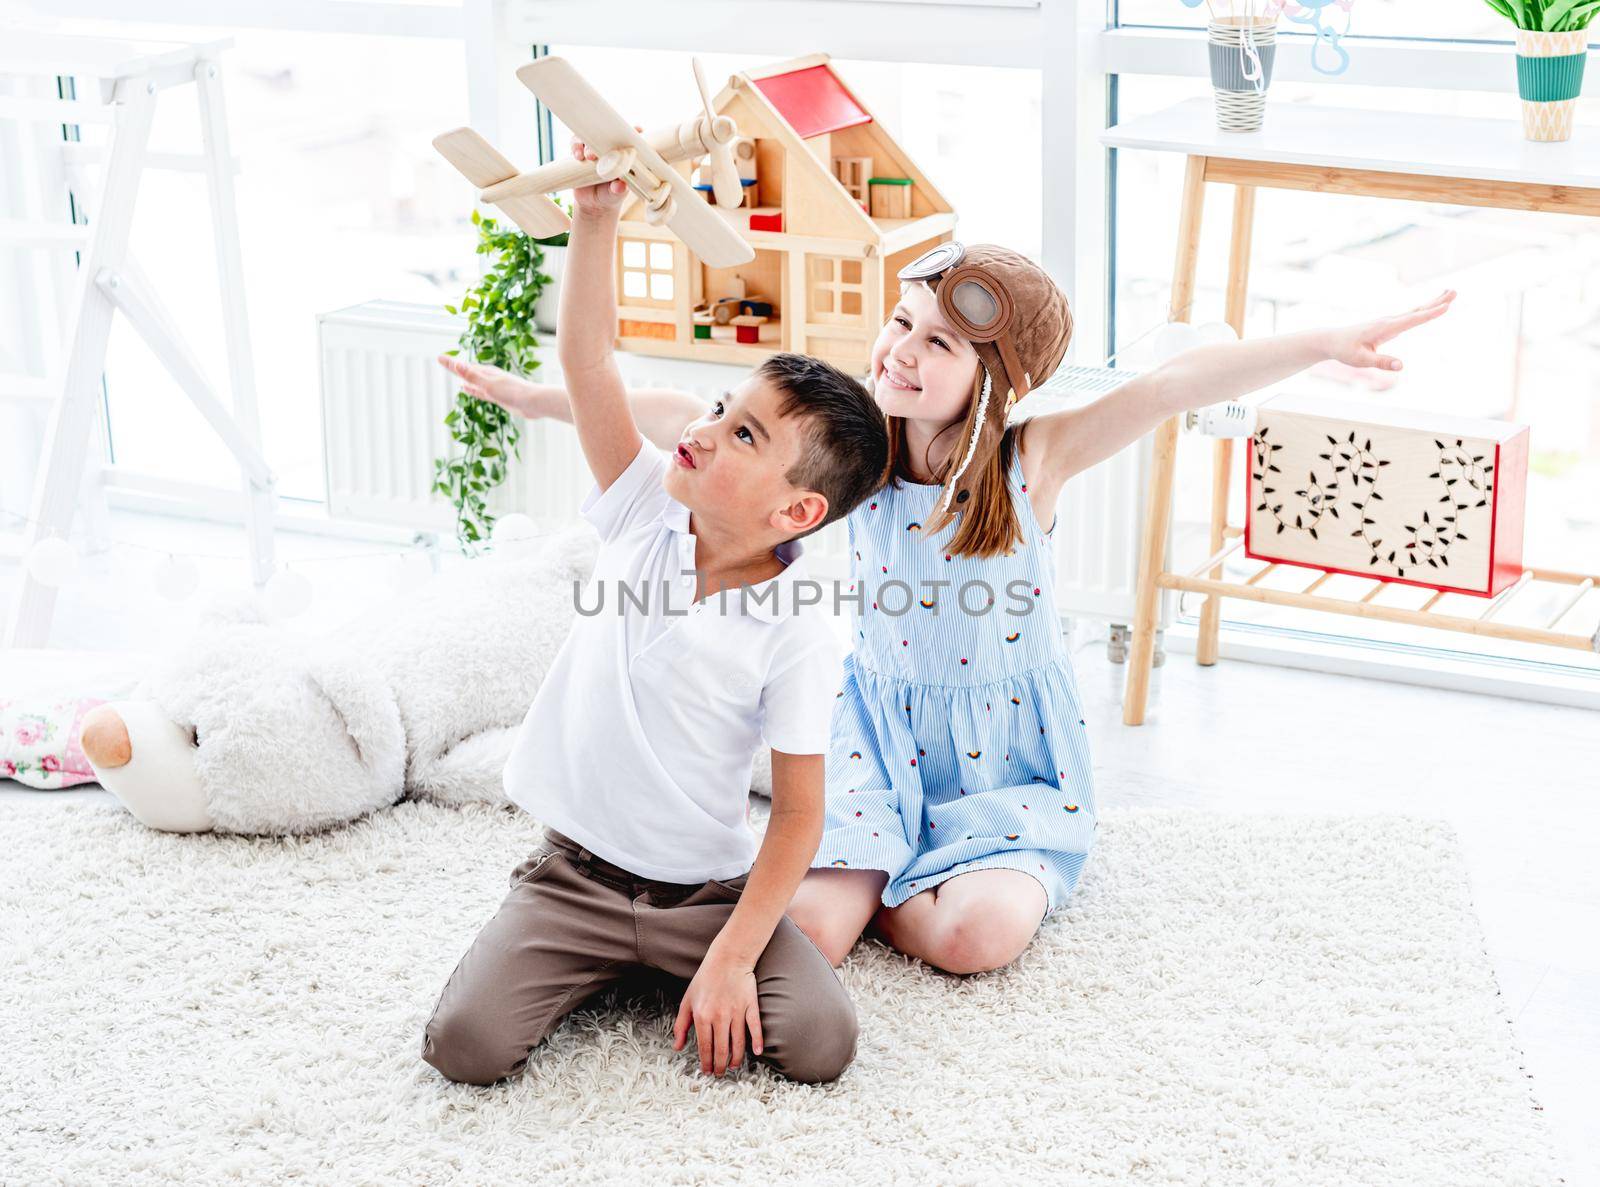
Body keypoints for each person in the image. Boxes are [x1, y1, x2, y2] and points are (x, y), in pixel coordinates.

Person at [446, 239, 1453, 978]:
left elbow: (1170, 385)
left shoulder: (1031, 460)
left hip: (1002, 760)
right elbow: (671, 412)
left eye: (938, 343)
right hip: (874, 743)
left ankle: (909, 883)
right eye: (900, 324)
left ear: (990, 379)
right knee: (796, 943)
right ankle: (877, 874)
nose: (903, 352)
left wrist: (1324, 339)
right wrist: (538, 398)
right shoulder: (857, 456)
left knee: (973, 939)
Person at [420, 138, 888, 1085]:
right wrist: (596, 220)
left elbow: (798, 817)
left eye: (742, 434)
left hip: (705, 898)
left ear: (796, 512)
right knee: (463, 1048)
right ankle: (592, 959)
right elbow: (590, 360)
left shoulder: (803, 622)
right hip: (574, 879)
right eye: (722, 407)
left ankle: (660, 966)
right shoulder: (641, 505)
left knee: (822, 1044)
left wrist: (727, 957)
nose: (704, 430)